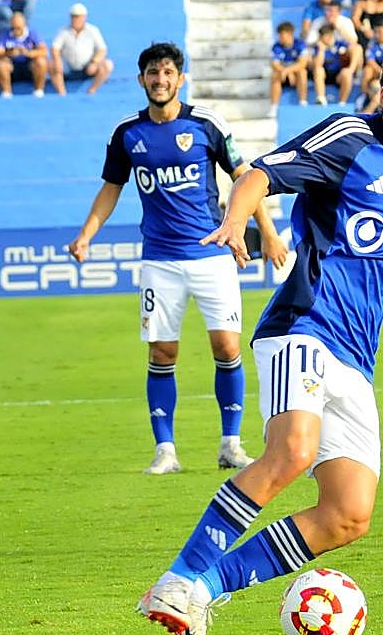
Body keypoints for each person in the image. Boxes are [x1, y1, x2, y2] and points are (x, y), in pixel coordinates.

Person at [135, 34, 383, 635]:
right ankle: (177, 578)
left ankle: (204, 591)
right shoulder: (351, 139)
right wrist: (233, 219)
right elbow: (259, 175)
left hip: (356, 358)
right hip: (303, 326)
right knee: (291, 453)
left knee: (349, 514)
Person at [68, 42, 287, 477]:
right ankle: (165, 450)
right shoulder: (127, 134)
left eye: (168, 72)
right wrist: (86, 234)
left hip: (211, 255)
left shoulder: (206, 124)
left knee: (226, 346)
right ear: (142, 80)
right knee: (163, 352)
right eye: (153, 72)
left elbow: (247, 179)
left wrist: (268, 231)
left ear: (180, 79)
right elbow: (112, 188)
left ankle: (230, 443)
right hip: (160, 261)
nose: (160, 79)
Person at [49, 2, 114, 96]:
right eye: (73, 16)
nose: (76, 19)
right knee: (52, 64)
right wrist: (57, 60)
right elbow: (55, 48)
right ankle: (62, 93)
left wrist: (94, 62)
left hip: (87, 67)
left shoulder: (92, 30)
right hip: (68, 68)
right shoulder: (63, 31)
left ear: (84, 17)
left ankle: (92, 90)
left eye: (78, 16)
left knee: (107, 65)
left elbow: (102, 49)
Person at [0, 10, 46, 98]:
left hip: (29, 66)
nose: (15, 30)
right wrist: (8, 53)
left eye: (18, 28)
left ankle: (39, 91)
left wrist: (28, 53)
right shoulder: (5, 34)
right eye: (13, 28)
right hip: (12, 68)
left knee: (41, 61)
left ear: (24, 25)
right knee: (0, 63)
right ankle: (6, 93)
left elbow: (44, 51)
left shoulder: (33, 34)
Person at [311, 24, 358, 105]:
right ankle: (321, 98)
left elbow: (355, 47)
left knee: (346, 73)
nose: (327, 37)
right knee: (318, 70)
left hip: (337, 75)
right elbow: (317, 65)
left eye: (329, 34)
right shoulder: (318, 47)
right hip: (324, 76)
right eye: (324, 36)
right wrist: (321, 50)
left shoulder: (340, 44)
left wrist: (350, 68)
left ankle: (342, 102)